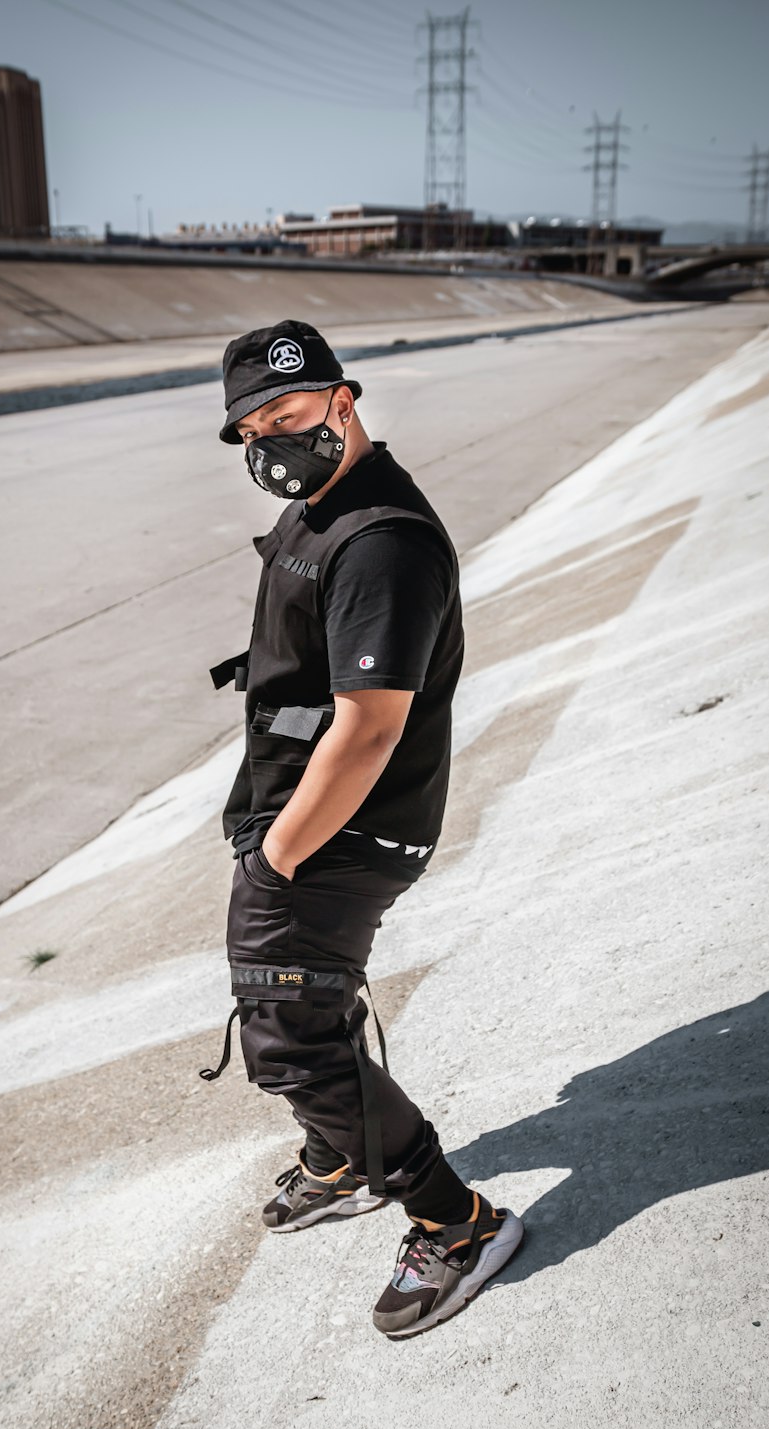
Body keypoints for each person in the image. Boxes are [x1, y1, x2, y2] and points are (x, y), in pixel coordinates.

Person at [201, 319, 522, 1338]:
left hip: (339, 834)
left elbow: (372, 724)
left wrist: (282, 853)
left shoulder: (380, 539)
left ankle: (455, 1220)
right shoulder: (320, 502)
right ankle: (342, 1157)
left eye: (288, 417)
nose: (270, 443)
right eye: (251, 427)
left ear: (344, 398)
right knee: (301, 1005)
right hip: (300, 818)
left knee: (290, 1037)